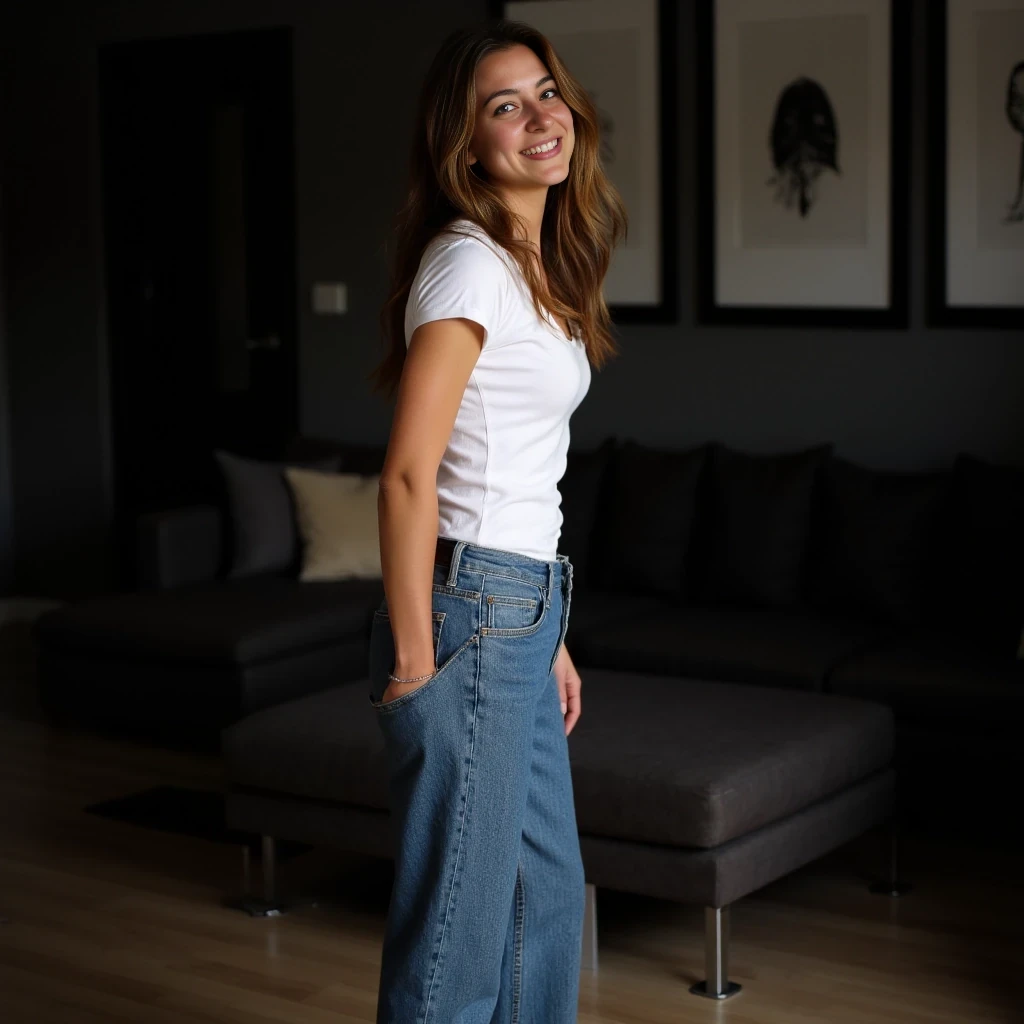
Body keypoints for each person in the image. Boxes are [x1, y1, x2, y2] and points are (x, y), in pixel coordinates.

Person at [366, 17, 627, 1024]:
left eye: (546, 93)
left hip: (515, 606)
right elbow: (403, 476)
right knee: (459, 937)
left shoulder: (534, 265)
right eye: (503, 106)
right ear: (465, 142)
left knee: (541, 899)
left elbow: (522, 469)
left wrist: (548, 633)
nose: (538, 118)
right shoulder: (470, 263)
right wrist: (414, 659)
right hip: (469, 607)